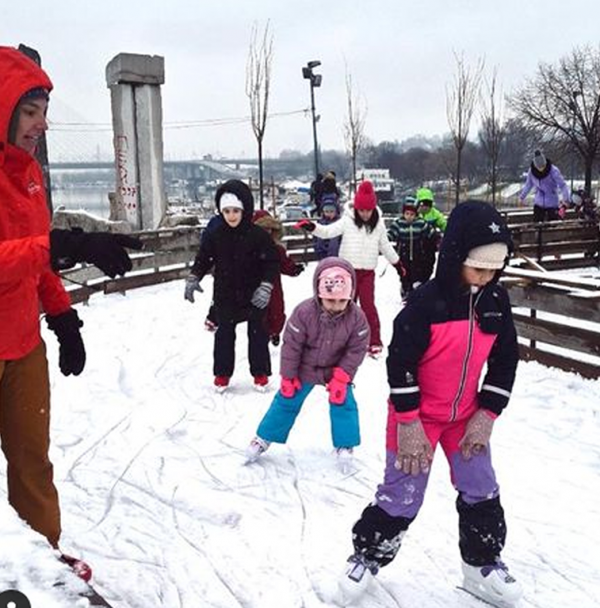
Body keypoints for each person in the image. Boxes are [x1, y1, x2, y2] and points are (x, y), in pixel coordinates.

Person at [0, 46, 142, 579]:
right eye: (30, 111)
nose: (42, 124)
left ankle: (43, 561)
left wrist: (63, 320)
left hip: (22, 344)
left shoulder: (31, 176)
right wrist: (63, 245)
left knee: (33, 463)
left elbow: (36, 260)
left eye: (43, 112)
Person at [339, 200, 522, 608]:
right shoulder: (425, 304)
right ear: (457, 256)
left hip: (464, 419)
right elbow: (400, 361)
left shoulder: (495, 301)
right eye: (479, 268)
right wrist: (408, 421)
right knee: (402, 494)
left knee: (481, 488)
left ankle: (482, 565)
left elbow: (505, 359)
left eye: (496, 269)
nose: (488, 277)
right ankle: (368, 557)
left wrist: (487, 414)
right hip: (415, 416)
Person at [246, 257, 370, 470]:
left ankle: (345, 445)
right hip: (304, 367)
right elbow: (291, 346)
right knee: (286, 399)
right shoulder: (304, 312)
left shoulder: (356, 317)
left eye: (342, 301)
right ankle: (264, 438)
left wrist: (342, 377)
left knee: (344, 403)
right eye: (330, 301)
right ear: (319, 294)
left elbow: (356, 349)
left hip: (335, 370)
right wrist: (288, 376)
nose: (337, 307)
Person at [184, 179, 280, 391]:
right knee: (224, 335)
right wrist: (194, 277)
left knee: (257, 334)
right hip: (225, 294)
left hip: (253, 293)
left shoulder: (258, 235)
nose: (231, 216)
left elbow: (272, 262)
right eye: (226, 211)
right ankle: (222, 374)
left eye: (236, 210)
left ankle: (260, 373)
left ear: (244, 209)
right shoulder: (216, 235)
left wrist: (265, 286)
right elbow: (204, 258)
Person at [295, 180, 402, 357]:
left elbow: (386, 247)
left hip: (367, 273)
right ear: (357, 208)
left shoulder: (379, 225)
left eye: (368, 210)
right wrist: (312, 226)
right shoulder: (347, 221)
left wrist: (398, 264)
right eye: (362, 210)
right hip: (347, 273)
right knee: (344, 307)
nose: (365, 214)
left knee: (368, 307)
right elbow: (327, 231)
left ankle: (374, 340)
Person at [252, 209, 305, 346]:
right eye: (263, 229)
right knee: (260, 312)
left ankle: (275, 331)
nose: (266, 233)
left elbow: (285, 264)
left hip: (274, 286)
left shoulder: (277, 249)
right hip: (255, 286)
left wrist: (294, 269)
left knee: (277, 310)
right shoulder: (249, 249)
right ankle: (262, 333)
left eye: (269, 230)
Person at [387, 197, 437, 297]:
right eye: (407, 214)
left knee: (416, 274)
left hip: (417, 254)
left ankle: (414, 292)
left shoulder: (420, 223)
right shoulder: (398, 224)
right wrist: (386, 240)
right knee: (404, 274)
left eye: (412, 214)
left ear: (416, 214)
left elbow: (430, 233)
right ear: (403, 213)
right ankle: (405, 289)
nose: (409, 217)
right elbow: (390, 234)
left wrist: (436, 239)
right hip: (403, 254)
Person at [518, 150, 570, 222]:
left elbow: (562, 185)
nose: (541, 169)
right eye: (539, 168)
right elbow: (528, 184)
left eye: (543, 167)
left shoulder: (553, 171)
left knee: (552, 225)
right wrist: (521, 197)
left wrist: (566, 199)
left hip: (552, 202)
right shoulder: (532, 172)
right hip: (539, 202)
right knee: (537, 224)